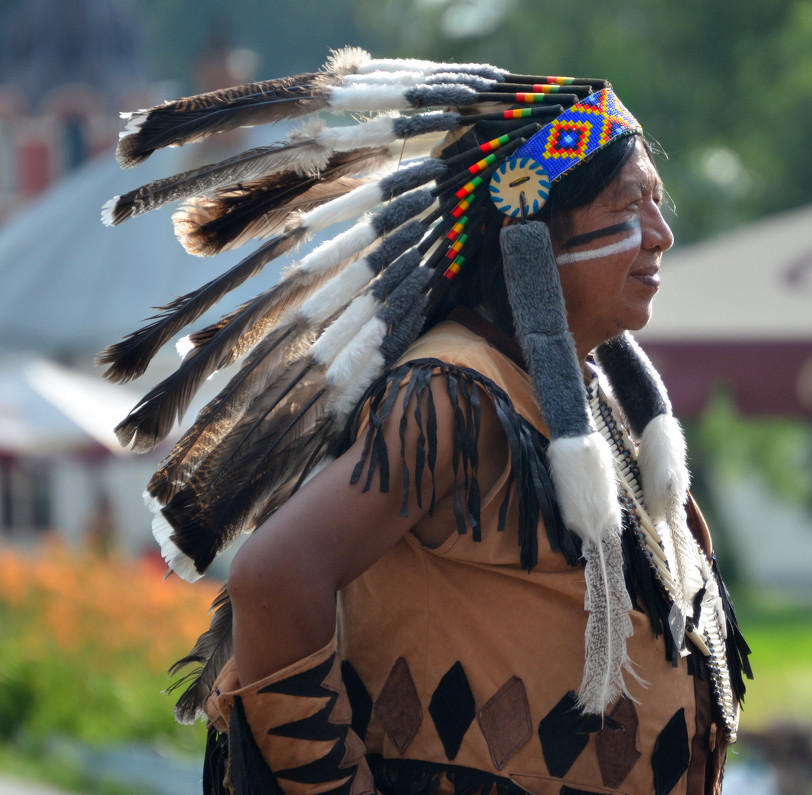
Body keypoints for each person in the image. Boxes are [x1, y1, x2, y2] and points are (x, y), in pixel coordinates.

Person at [100, 49, 749, 795]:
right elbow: (276, 577)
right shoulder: (454, 392)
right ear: (532, 233)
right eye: (627, 208)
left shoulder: (587, 398)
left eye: (655, 203)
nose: (660, 234)